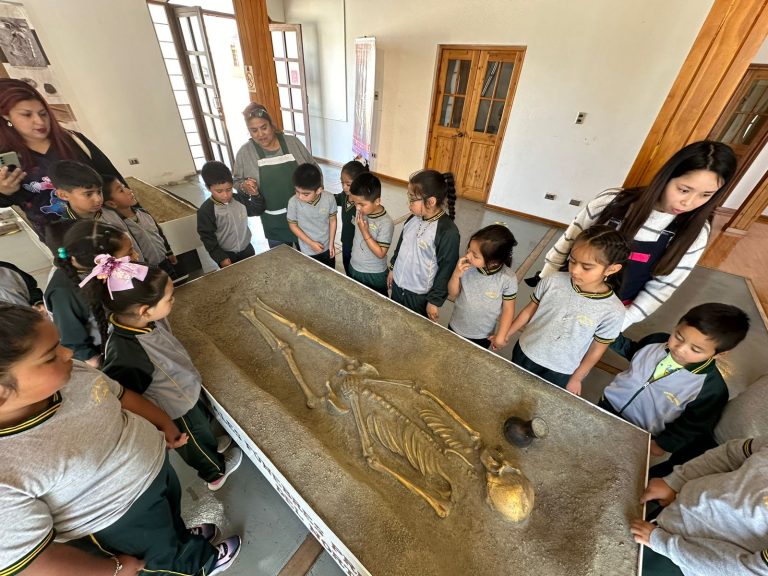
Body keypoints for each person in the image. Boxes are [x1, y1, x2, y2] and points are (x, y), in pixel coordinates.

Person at [0, 303, 242, 576]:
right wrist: (114, 569)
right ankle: (200, 565)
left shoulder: (72, 373)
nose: (68, 353)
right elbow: (34, 562)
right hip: (119, 522)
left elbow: (119, 394)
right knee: (163, 563)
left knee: (169, 519)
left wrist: (163, 423)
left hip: (156, 475)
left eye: (59, 344)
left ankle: (179, 538)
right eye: (50, 356)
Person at [539, 141, 737, 331]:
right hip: (563, 292)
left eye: (705, 195)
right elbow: (566, 245)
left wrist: (615, 326)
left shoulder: (694, 233)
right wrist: (545, 287)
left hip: (608, 314)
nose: (689, 202)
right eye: (684, 190)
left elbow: (662, 287)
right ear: (667, 177)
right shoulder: (611, 202)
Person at [90, 260, 243, 491]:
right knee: (193, 443)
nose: (173, 301)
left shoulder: (143, 322)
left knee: (201, 429)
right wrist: (163, 428)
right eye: (169, 299)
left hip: (184, 393)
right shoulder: (127, 354)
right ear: (145, 310)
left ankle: (209, 445)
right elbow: (127, 397)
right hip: (175, 411)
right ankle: (214, 472)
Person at [599, 303, 749, 468]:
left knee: (608, 463)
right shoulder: (656, 341)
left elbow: (693, 425)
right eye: (679, 336)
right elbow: (634, 352)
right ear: (677, 325)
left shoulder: (711, 389)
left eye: (695, 349)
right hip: (605, 405)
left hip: (639, 432)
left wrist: (664, 444)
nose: (680, 349)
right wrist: (608, 335)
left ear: (719, 354)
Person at [506, 226, 629, 394]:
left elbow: (597, 349)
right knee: (511, 388)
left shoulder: (613, 311)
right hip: (526, 352)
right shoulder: (552, 281)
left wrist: (577, 378)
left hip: (561, 370)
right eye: (572, 261)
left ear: (612, 269)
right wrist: (506, 334)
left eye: (586, 267)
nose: (575, 270)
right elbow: (529, 311)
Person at [0, 79, 125, 240]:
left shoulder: (74, 141)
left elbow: (115, 182)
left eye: (43, 113)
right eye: (27, 114)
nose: (39, 121)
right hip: (63, 241)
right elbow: (5, 202)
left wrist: (138, 219)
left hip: (110, 231)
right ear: (6, 116)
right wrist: (3, 191)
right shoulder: (6, 157)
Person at [630, 437, 768, 576]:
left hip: (681, 564)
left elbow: (747, 571)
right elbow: (730, 453)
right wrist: (675, 482)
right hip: (666, 519)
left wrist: (662, 543)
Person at [44, 220, 138, 367]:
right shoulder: (64, 292)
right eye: (129, 253)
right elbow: (74, 342)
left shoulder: (95, 270)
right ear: (101, 261)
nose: (136, 256)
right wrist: (102, 364)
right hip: (108, 354)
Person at [232, 103, 317, 248]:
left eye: (264, 127)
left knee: (310, 254)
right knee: (281, 257)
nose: (260, 134)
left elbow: (314, 169)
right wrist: (244, 186)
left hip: (304, 215)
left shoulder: (292, 143)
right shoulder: (245, 153)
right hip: (274, 220)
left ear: (271, 125)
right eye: (254, 130)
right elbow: (237, 181)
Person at [387, 170, 460, 321]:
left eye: (412, 199)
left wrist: (434, 301)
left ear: (431, 201)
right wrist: (393, 268)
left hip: (419, 296)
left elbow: (446, 269)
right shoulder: (413, 219)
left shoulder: (448, 232)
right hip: (398, 286)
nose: (408, 203)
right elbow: (401, 247)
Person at [50, 159, 143, 259]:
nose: (98, 199)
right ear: (63, 195)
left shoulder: (111, 210)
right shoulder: (67, 232)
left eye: (99, 191)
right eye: (88, 194)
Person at [447, 224, 518, 350]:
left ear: (494, 262)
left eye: (475, 255)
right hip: (456, 327)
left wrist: (501, 336)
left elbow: (508, 309)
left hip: (482, 336)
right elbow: (453, 293)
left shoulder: (508, 278)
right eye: (468, 250)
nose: (468, 256)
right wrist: (456, 274)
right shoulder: (466, 266)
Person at [102, 174, 177, 277]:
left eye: (124, 186)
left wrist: (169, 252)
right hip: (146, 270)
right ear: (111, 204)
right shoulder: (120, 226)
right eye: (121, 190)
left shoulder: (143, 213)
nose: (129, 190)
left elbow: (158, 233)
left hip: (164, 262)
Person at [197, 160, 265, 268]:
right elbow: (207, 237)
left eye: (229, 190)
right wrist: (220, 257)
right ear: (208, 188)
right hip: (226, 255)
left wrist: (255, 195)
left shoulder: (239, 200)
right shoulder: (206, 210)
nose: (225, 195)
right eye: (219, 191)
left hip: (247, 249)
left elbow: (257, 210)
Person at [347, 172, 394, 295]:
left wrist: (364, 231)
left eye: (361, 204)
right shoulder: (362, 210)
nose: (357, 208)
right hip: (354, 266)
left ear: (377, 201)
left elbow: (381, 253)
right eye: (355, 203)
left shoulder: (386, 222)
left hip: (373, 274)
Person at [287, 163, 337, 268]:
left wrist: (331, 243)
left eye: (305, 194)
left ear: (319, 190)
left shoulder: (329, 198)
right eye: (297, 191)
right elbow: (293, 225)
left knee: (329, 272)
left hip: (327, 247)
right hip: (307, 250)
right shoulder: (293, 202)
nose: (300, 197)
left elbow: (333, 220)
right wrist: (310, 243)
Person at [336, 159, 370, 275]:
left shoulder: (364, 204)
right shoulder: (344, 196)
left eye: (348, 184)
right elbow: (334, 199)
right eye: (342, 183)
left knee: (356, 270)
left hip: (359, 245)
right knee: (346, 264)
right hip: (346, 241)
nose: (344, 187)